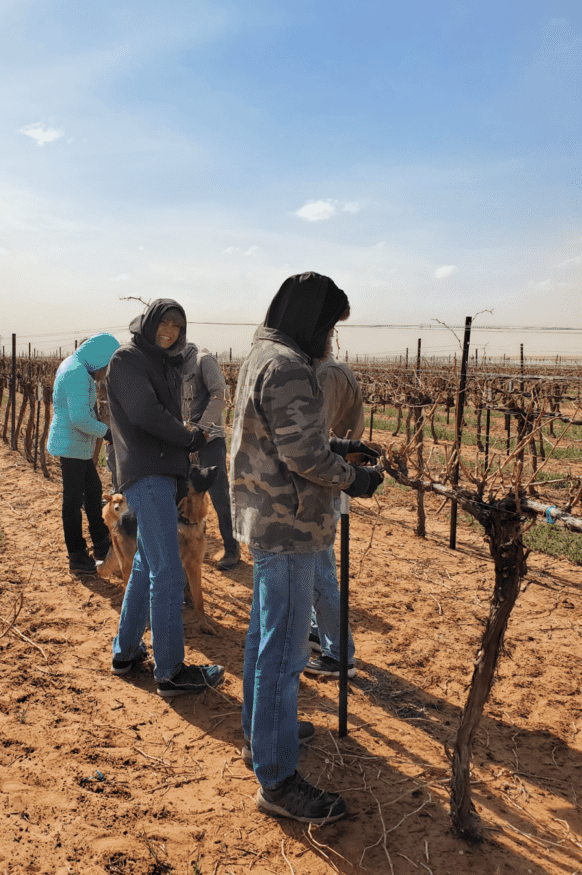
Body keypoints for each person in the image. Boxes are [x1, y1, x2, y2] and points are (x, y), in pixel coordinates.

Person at [230, 272, 383, 824]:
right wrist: (353, 477)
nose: (332, 339)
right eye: (330, 326)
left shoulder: (262, 353)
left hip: (263, 518)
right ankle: (276, 779)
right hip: (290, 525)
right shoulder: (291, 367)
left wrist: (342, 444)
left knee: (262, 639)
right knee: (286, 652)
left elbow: (285, 436)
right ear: (312, 321)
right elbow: (306, 459)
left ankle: (260, 735)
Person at [105, 299, 225, 698]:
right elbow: (145, 414)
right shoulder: (127, 359)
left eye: (177, 325)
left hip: (163, 473)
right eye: (164, 323)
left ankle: (125, 653)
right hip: (147, 473)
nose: (170, 331)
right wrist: (188, 437)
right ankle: (171, 671)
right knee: (169, 573)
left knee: (145, 565)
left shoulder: (164, 364)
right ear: (150, 324)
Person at [306, 336, 372, 677]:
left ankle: (338, 654)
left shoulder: (326, 375)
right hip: (331, 475)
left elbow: (316, 438)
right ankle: (321, 632)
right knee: (322, 563)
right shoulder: (325, 371)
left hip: (328, 479)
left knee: (320, 569)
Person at [47, 334, 120, 575]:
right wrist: (107, 433)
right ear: (98, 358)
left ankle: (101, 545)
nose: (106, 374)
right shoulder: (77, 373)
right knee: (73, 501)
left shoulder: (74, 365)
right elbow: (79, 418)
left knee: (93, 492)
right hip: (72, 444)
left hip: (76, 444)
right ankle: (77, 556)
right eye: (107, 366)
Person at [180, 342, 241, 570]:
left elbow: (220, 395)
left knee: (219, 496)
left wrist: (201, 429)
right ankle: (196, 547)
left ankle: (232, 549)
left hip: (209, 440)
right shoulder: (172, 365)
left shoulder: (203, 360)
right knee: (188, 496)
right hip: (186, 442)